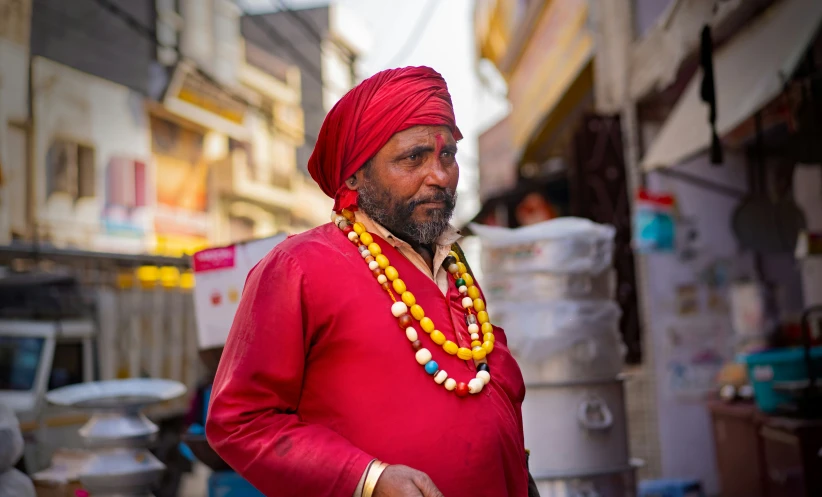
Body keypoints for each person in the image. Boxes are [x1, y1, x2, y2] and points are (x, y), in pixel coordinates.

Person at [207, 66, 535, 497]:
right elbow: (240, 420)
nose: (438, 176)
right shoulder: (297, 266)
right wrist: (369, 480)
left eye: (447, 156)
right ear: (354, 176)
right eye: (413, 157)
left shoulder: (451, 263)